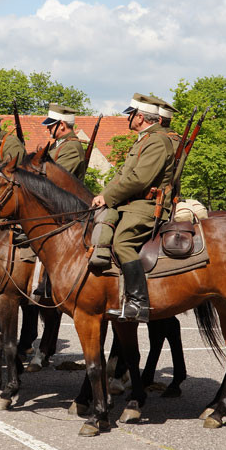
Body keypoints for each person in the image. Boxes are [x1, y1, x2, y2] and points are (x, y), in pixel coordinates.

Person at [91, 93, 176, 322]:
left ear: (140, 117)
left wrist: (109, 197)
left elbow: (139, 179)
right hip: (131, 202)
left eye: (130, 115)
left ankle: (139, 303)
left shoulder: (157, 141)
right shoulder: (144, 140)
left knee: (123, 242)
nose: (128, 119)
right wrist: (104, 195)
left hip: (147, 205)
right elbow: (122, 175)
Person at [42, 103, 87, 181]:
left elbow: (55, 178)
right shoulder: (58, 144)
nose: (48, 127)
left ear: (62, 125)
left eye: (51, 124)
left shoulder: (71, 148)